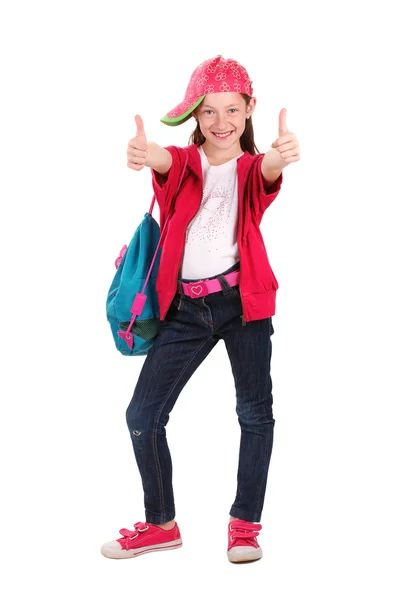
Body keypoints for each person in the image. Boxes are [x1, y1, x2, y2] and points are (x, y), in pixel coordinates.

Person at [101, 55, 300, 563]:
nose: (221, 122)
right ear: (194, 116)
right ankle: (160, 523)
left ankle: (245, 526)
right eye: (208, 112)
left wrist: (283, 153)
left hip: (243, 304)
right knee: (142, 415)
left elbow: (270, 169)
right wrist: (144, 153)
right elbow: (165, 160)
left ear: (249, 108)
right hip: (185, 311)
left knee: (255, 414)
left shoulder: (254, 168)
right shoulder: (184, 164)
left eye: (232, 109)